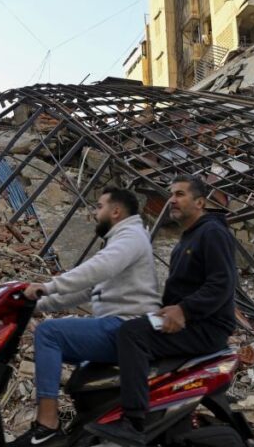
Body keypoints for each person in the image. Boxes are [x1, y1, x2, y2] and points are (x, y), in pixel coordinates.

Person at [86, 175, 238, 447]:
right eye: (171, 194)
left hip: (207, 327)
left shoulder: (212, 232)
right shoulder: (188, 239)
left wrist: (184, 311)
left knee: (132, 334)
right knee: (133, 328)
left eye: (180, 194)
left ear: (200, 202)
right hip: (192, 321)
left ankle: (133, 422)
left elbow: (222, 284)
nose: (172, 200)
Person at [10, 187, 161, 447]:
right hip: (115, 326)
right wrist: (38, 304)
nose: (94, 213)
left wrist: (48, 286)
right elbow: (89, 290)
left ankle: (47, 424)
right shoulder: (122, 240)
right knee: (67, 358)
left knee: (49, 333)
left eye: (99, 207)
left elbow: (96, 270)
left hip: (125, 327)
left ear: (115, 211)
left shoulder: (131, 236)